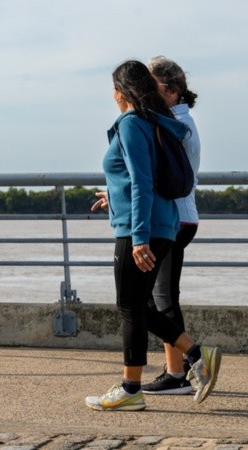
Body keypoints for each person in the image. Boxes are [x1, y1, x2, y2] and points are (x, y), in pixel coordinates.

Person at [84, 60, 220, 412]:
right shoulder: (154, 121)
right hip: (159, 224)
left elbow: (143, 183)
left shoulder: (131, 123)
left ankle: (131, 388)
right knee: (140, 305)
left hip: (138, 228)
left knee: (130, 306)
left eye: (112, 88)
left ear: (120, 91)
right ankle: (196, 355)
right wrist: (114, 197)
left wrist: (140, 238)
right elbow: (140, 180)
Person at [140, 56, 202, 395]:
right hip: (181, 216)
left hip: (174, 219)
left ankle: (180, 371)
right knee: (161, 297)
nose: (148, 93)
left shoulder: (176, 126)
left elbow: (161, 176)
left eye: (155, 87)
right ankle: (180, 367)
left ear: (174, 92)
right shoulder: (178, 120)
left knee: (159, 300)